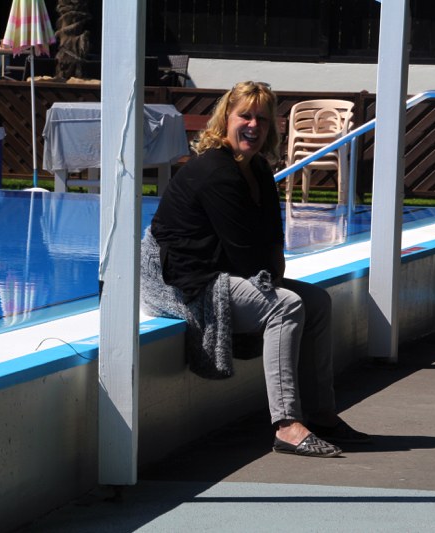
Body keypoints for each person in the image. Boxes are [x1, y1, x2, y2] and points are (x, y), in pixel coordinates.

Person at [140, 81, 370, 458]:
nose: (253, 125)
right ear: (225, 120)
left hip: (221, 270)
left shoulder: (258, 168)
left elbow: (272, 237)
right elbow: (246, 253)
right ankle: (287, 425)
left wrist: (275, 271)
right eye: (244, 116)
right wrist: (272, 280)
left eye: (261, 119)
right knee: (286, 305)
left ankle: (322, 416)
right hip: (179, 283)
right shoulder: (216, 171)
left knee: (317, 301)